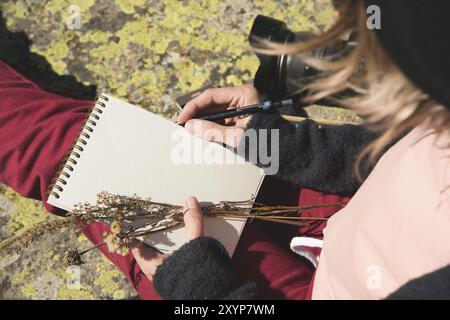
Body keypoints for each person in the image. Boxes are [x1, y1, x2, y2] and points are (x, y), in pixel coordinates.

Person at [132, 0, 450, 299]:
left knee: (134, 227)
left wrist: (196, 286)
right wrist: (282, 141)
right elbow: (395, 150)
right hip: (359, 210)